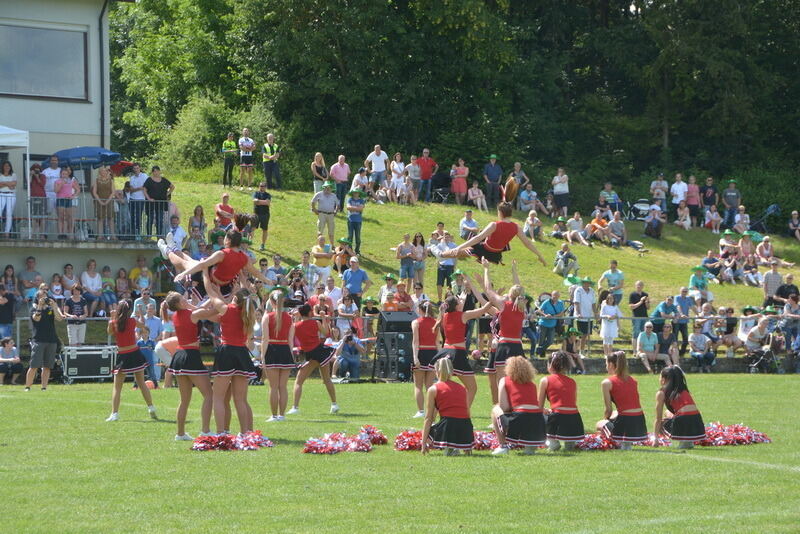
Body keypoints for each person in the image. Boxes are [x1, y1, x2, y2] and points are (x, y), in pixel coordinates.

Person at [163, 291, 214, 439]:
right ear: (179, 303)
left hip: (179, 355)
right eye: (182, 298)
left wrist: (210, 296)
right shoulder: (192, 314)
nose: (185, 299)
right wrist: (220, 298)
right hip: (191, 355)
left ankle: (180, 433)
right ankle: (205, 430)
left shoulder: (175, 315)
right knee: (209, 395)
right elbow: (213, 311)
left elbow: (198, 308)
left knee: (184, 400)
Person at [476, 259, 527, 403]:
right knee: (518, 381)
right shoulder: (522, 307)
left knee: (501, 382)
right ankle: (517, 406)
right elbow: (519, 288)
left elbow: (488, 290)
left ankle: (502, 409)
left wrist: (486, 269)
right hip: (518, 346)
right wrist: (514, 271)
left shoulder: (504, 305)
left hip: (504, 346)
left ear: (510, 294)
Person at [432, 295, 493, 407]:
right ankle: (463, 412)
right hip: (457, 353)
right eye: (459, 300)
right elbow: (483, 310)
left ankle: (435, 414)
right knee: (472, 388)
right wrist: (493, 298)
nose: (461, 301)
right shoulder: (463, 315)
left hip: (444, 352)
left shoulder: (444, 315)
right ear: (456, 305)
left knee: (442, 386)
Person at [443, 202, 547, 266]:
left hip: (485, 249)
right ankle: (443, 254)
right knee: (459, 253)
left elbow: (478, 238)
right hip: (496, 255)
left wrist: (459, 247)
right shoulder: (517, 227)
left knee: (457, 252)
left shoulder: (494, 225)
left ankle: (440, 254)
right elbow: (528, 243)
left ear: (500, 213)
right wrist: (540, 255)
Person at [105, 300, 158, 421]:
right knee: (141, 383)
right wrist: (140, 315)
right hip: (135, 353)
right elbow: (143, 325)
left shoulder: (114, 322)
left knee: (117, 387)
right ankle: (151, 407)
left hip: (123, 355)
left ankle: (114, 414)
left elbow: (109, 332)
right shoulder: (132, 321)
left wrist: (112, 317)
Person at [288, 303, 338, 415]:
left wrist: (296, 316)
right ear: (310, 312)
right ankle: (334, 404)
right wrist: (324, 318)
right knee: (326, 379)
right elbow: (326, 333)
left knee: (298, 381)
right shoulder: (315, 322)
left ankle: (295, 407)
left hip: (311, 355)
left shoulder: (296, 326)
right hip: (320, 352)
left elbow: (292, 328)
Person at [491, 356, 546, 455]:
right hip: (538, 421)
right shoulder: (532, 384)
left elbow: (504, 407)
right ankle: (530, 447)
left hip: (520, 419)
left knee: (496, 409)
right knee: (529, 414)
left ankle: (503, 446)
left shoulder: (504, 380)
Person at [420, 358, 474, 456]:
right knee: (453, 421)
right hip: (466, 428)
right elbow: (466, 413)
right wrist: (468, 443)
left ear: (437, 371)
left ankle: (451, 447)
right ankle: (459, 445)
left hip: (448, 427)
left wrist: (423, 443)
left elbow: (428, 418)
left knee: (432, 427)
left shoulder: (433, 389)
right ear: (452, 371)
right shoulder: (462, 388)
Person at [597, 351, 647, 449]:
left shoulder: (607, 383)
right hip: (640, 423)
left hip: (626, 422)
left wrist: (605, 420)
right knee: (616, 413)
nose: (606, 367)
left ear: (611, 364)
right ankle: (626, 442)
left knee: (599, 424)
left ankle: (621, 442)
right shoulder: (633, 380)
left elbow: (608, 410)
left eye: (606, 364)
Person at [259, 288, 295, 422]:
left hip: (272, 350)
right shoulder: (290, 318)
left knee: (273, 387)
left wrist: (262, 356)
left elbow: (265, 339)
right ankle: (282, 415)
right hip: (285, 350)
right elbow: (291, 340)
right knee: (283, 387)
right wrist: (290, 356)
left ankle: (274, 416)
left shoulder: (267, 317)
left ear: (272, 302)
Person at [538, 351, 585, 451]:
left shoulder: (545, 380)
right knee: (569, 445)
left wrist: (546, 410)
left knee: (536, 414)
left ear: (550, 365)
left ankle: (552, 441)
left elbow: (539, 406)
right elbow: (571, 403)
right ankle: (569, 442)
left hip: (557, 418)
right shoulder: (572, 382)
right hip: (575, 419)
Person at [653, 367, 706, 448]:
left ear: (663, 379)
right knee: (668, 412)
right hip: (698, 424)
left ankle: (684, 441)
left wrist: (655, 439)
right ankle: (688, 441)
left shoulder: (661, 393)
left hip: (684, 422)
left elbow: (658, 419)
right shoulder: (684, 390)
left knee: (662, 422)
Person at [24, 290, 64, 391]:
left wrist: (54, 306)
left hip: (51, 340)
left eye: (45, 296)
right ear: (37, 298)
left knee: (47, 366)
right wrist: (40, 306)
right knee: (34, 365)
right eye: (41, 297)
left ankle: (44, 387)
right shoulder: (34, 308)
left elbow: (59, 319)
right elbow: (36, 318)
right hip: (39, 340)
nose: (44, 299)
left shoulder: (50, 309)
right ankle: (28, 386)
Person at [411, 300, 439, 418]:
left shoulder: (416, 322)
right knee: (429, 385)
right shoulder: (436, 322)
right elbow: (438, 342)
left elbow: (415, 341)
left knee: (418, 385)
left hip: (421, 352)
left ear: (420, 310)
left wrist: (415, 357)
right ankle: (430, 410)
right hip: (433, 353)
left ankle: (421, 411)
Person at [536, 291, 565, 358]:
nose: (555, 297)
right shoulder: (546, 302)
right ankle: (541, 354)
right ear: (551, 296)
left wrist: (553, 316)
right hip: (543, 323)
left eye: (557, 296)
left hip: (552, 324)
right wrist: (545, 315)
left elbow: (561, 313)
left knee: (550, 341)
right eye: (554, 295)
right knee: (541, 340)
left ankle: (539, 350)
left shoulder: (560, 303)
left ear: (559, 296)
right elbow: (539, 310)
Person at [572, 277, 597, 356]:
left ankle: (580, 351)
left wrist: (596, 313)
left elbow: (593, 303)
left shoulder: (592, 291)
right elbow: (576, 302)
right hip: (581, 317)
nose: (586, 284)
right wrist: (578, 313)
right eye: (585, 282)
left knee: (586, 335)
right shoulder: (578, 290)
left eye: (588, 282)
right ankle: (578, 351)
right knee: (581, 335)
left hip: (589, 316)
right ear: (583, 283)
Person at [311, 180, 338, 246]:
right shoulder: (319, 194)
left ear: (331, 188)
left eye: (329, 187)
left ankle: (332, 245)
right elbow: (312, 202)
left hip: (331, 214)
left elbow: (338, 204)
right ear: (323, 188)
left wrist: (335, 211)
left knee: (331, 231)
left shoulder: (333, 195)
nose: (327, 189)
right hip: (322, 214)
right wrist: (315, 210)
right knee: (320, 230)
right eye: (326, 187)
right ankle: (318, 246)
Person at [53, 167, 78, 239]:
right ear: (60, 174)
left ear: (68, 175)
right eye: (63, 174)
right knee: (61, 217)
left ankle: (68, 233)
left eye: (66, 174)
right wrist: (61, 184)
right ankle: (60, 233)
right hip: (60, 200)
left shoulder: (71, 181)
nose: (64, 175)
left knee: (68, 217)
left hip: (68, 200)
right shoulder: (57, 181)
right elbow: (55, 190)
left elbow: (78, 190)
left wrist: (73, 196)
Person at [628, 281, 649, 348]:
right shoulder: (632, 295)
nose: (639, 286)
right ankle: (634, 350)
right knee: (635, 333)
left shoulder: (645, 294)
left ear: (643, 286)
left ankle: (642, 349)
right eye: (637, 285)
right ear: (635, 286)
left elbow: (648, 308)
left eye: (640, 285)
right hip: (636, 317)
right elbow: (631, 307)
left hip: (644, 317)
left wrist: (646, 302)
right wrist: (641, 301)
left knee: (644, 334)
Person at [28, 163, 47, 238]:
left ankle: (42, 235)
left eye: (38, 169)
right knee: (34, 217)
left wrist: (37, 176)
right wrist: (31, 175)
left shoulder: (43, 176)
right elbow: (28, 184)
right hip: (33, 197)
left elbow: (42, 184)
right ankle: (33, 234)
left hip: (42, 197)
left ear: (40, 170)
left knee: (42, 217)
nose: (36, 171)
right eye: (35, 169)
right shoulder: (31, 177)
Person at [252, 182, 272, 251]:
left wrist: (259, 201)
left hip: (265, 215)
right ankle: (250, 242)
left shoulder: (268, 195)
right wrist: (264, 202)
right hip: (256, 214)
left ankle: (263, 244)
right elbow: (254, 201)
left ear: (266, 187)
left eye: (263, 186)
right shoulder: (256, 193)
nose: (261, 187)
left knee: (264, 230)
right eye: (260, 186)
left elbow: (268, 203)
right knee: (252, 228)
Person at [0, 161, 17, 238]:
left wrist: (3, 183)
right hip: (1, 194)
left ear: (10, 167)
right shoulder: (0, 175)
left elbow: (14, 184)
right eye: (5, 166)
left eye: (8, 166)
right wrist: (8, 183)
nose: (7, 167)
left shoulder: (13, 175)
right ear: (3, 167)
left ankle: (7, 232)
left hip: (11, 195)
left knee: (9, 213)